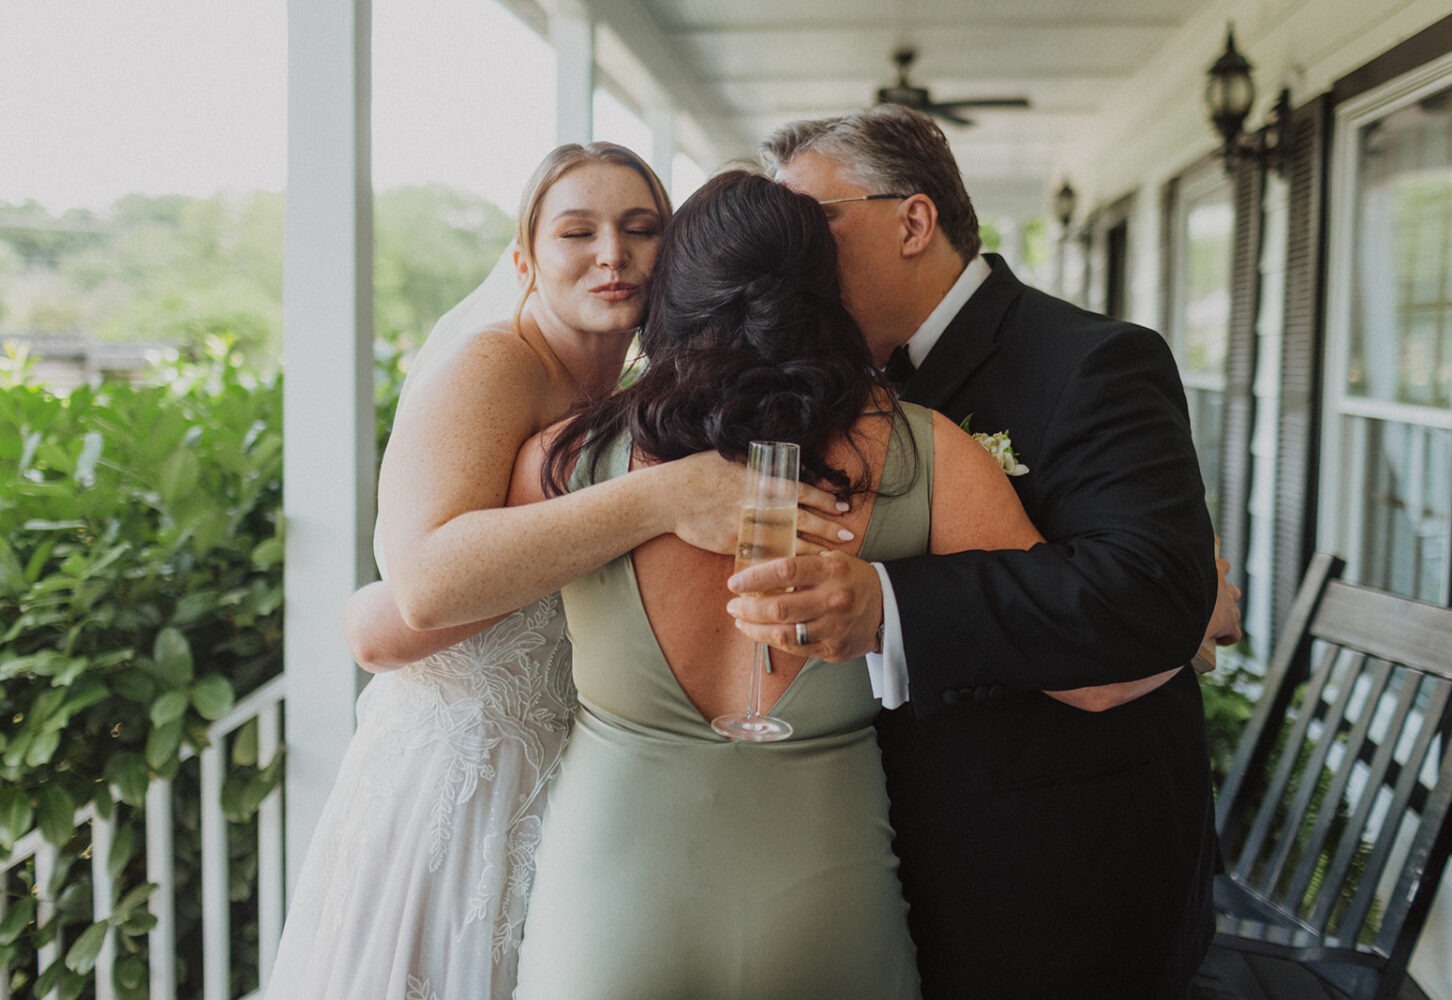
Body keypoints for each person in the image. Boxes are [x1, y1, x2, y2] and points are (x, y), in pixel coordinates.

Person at [505, 170, 1176, 999]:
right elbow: (1100, 676)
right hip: (829, 903)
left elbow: (429, 605)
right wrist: (1195, 621)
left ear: (670, 296)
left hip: (606, 907)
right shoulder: (923, 454)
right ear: (826, 293)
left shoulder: (564, 459)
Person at [265, 143, 844, 1000]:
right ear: (525, 259)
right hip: (457, 790)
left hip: (568, 788)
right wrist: (661, 499)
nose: (612, 255)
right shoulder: (494, 365)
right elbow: (421, 592)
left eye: (641, 229)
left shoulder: (637, 399)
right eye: (578, 231)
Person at [730, 105, 1236, 998]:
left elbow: (1148, 592)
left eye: (813, 225)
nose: (791, 257)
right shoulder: (829, 379)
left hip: (1060, 865)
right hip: (875, 854)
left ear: (913, 221)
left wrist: (889, 605)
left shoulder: (1094, 361)